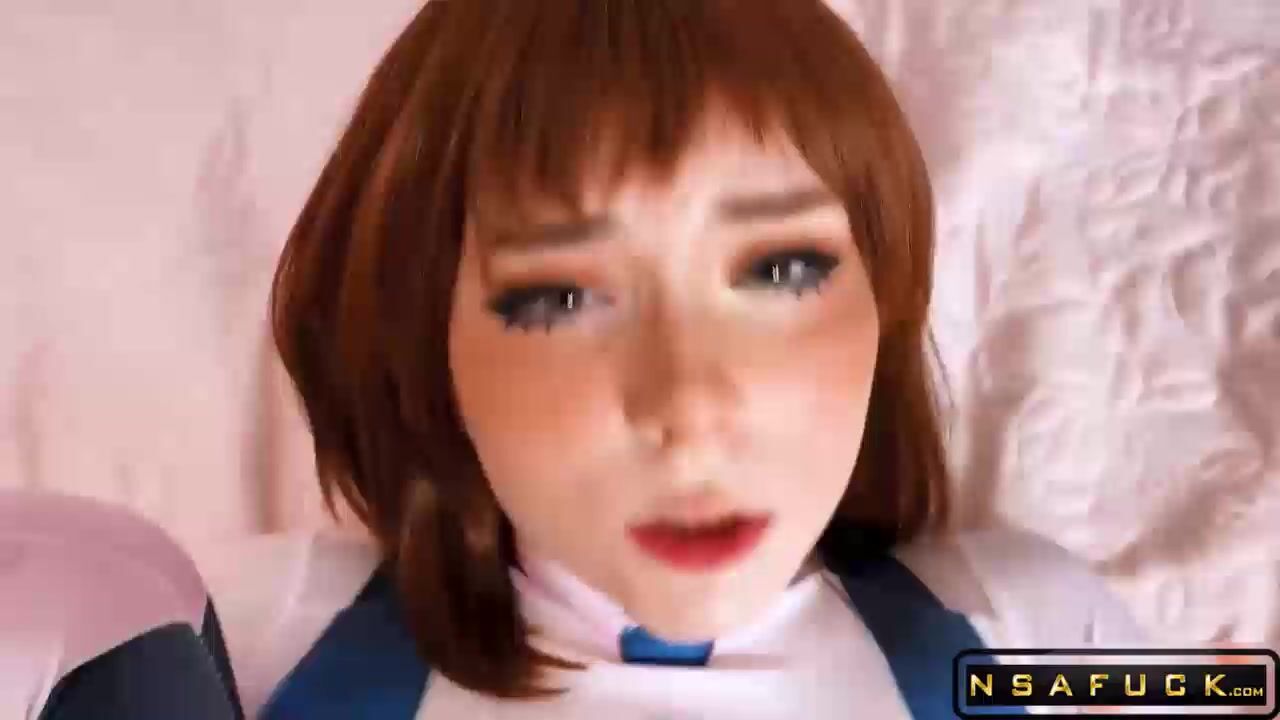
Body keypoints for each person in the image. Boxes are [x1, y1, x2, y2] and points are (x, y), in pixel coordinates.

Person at [254, 0, 1147, 717]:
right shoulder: (251, 636)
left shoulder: (1031, 641)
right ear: (423, 346)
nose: (691, 408)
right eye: (560, 297)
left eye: (782, 270)